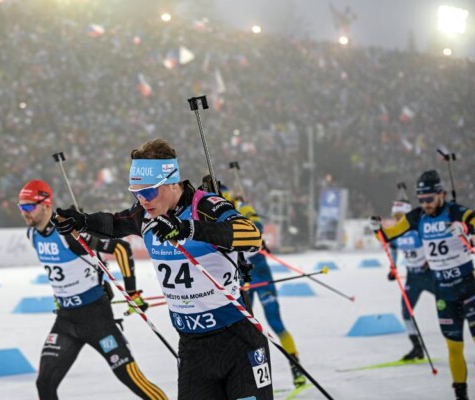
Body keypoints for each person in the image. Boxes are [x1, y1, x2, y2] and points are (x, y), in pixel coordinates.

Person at [54, 138, 271, 400]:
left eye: (148, 192)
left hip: (238, 341)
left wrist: (188, 229)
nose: (142, 200)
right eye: (136, 193)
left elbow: (252, 235)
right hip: (193, 348)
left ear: (172, 183)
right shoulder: (144, 215)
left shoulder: (205, 206)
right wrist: (81, 221)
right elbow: (114, 223)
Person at [18, 179, 166, 400]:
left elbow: (121, 248)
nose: (25, 212)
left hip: (96, 319)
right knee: (44, 383)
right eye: (21, 207)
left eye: (29, 206)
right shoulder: (33, 235)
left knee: (133, 380)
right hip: (66, 320)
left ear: (46, 204)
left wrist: (132, 293)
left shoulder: (67, 233)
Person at [372, 170, 475, 400]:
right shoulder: (416, 217)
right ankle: (461, 396)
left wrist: (466, 228)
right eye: (421, 199)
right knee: (454, 348)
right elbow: (388, 236)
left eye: (429, 198)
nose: (426, 204)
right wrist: (377, 228)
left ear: (441, 194)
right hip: (444, 293)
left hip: (469, 287)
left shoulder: (455, 211)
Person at [238, 203, 306, 388]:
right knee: (245, 330)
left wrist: (248, 214)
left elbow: (258, 227)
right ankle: (248, 378)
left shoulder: (245, 214)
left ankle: (296, 369)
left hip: (262, 278)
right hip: (244, 281)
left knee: (276, 323)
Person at [385, 195, 436, 361]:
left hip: (429, 275)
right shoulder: (396, 233)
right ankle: (416, 347)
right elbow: (393, 248)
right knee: (406, 311)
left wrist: (431, 261)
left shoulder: (418, 228)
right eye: (395, 216)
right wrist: (392, 267)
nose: (397, 219)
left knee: (453, 305)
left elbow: (433, 243)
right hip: (413, 277)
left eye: (400, 216)